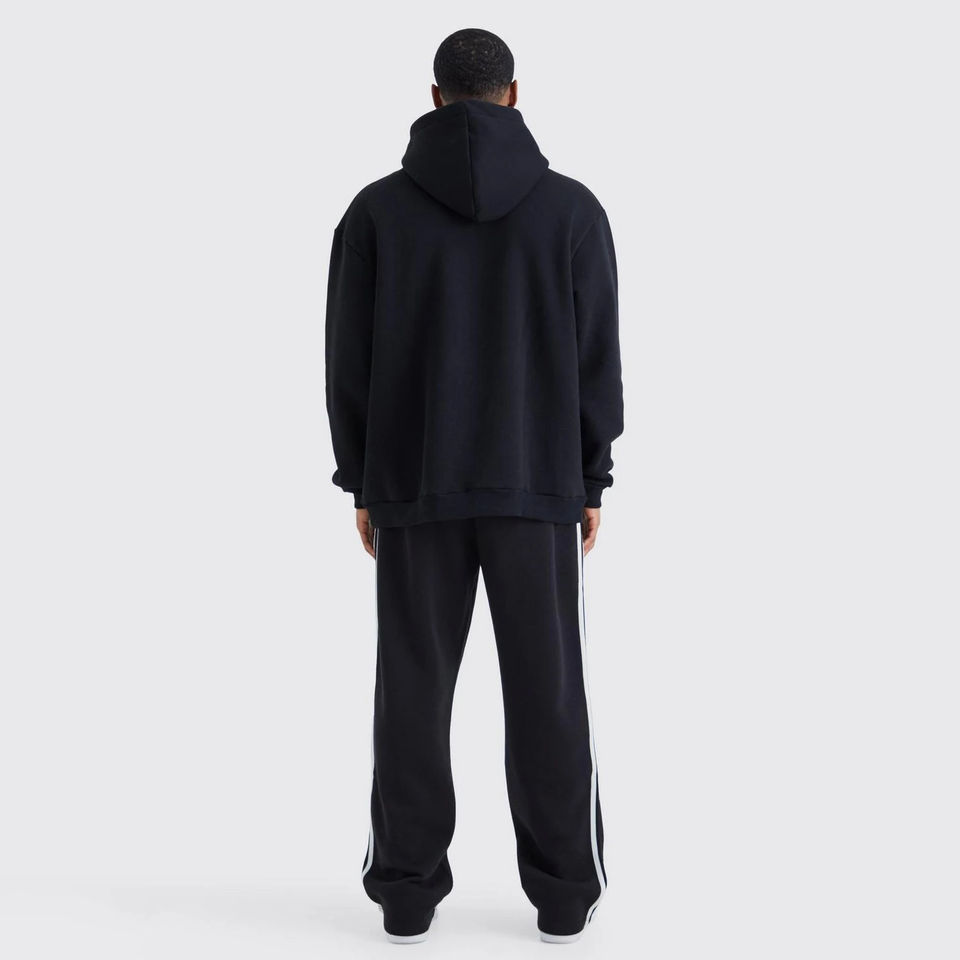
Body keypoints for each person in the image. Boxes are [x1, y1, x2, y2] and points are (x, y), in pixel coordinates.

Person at [324, 27, 624, 945]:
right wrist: (590, 476)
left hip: (415, 487)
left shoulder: (375, 213)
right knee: (550, 693)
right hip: (538, 488)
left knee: (411, 690)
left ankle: (407, 897)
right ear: (514, 94)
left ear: (434, 97)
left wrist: (363, 481)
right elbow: (597, 358)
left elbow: (347, 362)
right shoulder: (573, 212)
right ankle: (564, 896)